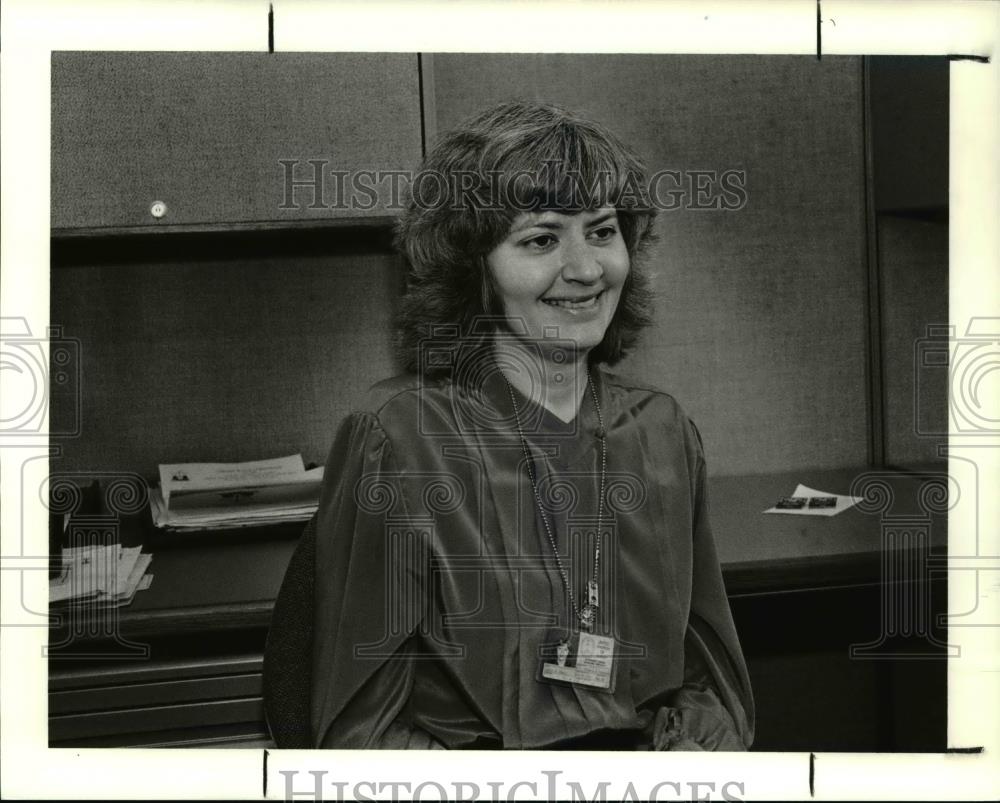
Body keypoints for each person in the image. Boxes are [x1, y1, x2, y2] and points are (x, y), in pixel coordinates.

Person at [309, 101, 754, 750]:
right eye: (541, 238)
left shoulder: (663, 431)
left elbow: (714, 687)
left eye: (602, 231)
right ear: (476, 269)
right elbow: (359, 736)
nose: (584, 268)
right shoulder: (398, 440)